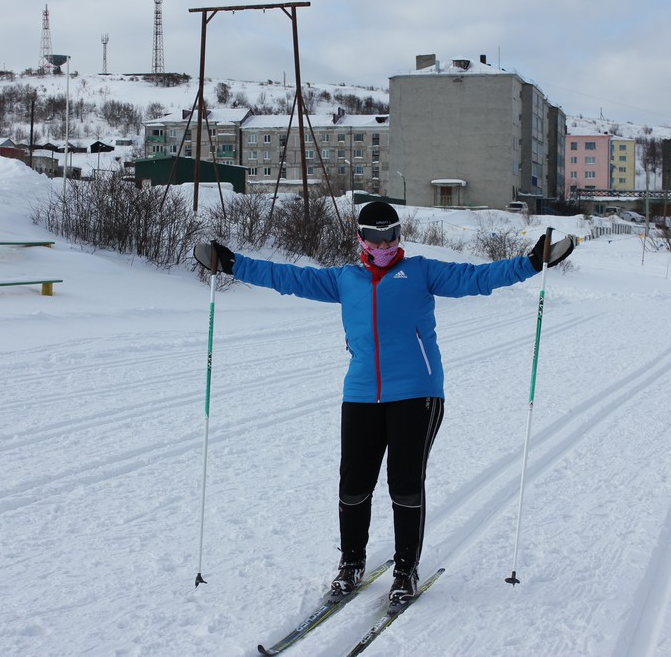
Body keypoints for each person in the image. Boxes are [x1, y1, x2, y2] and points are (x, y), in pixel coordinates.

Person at [193, 201, 574, 606]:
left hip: (417, 393)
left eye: (390, 234)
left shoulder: (422, 272)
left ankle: (406, 570)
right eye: (374, 235)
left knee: (405, 485)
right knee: (353, 486)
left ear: (399, 234)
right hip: (360, 395)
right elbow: (287, 276)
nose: (383, 242)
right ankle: (351, 564)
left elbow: (477, 278)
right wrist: (232, 263)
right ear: (361, 237)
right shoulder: (346, 280)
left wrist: (532, 262)